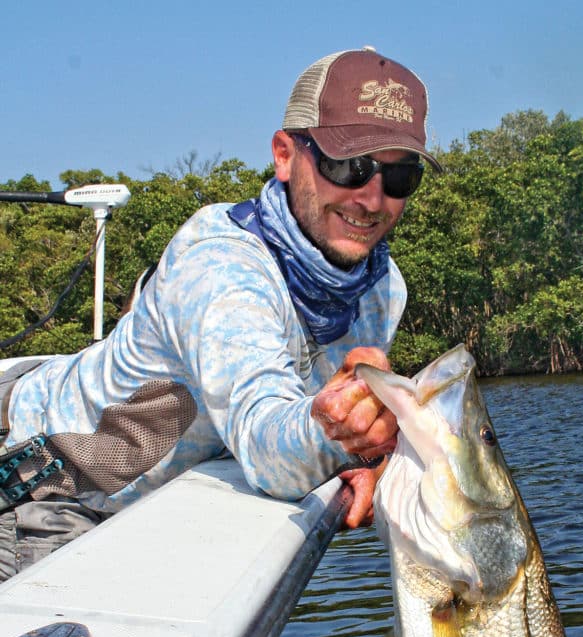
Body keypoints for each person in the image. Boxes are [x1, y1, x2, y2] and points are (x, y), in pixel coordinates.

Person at [0, 48, 441, 581]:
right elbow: (262, 435)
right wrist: (337, 437)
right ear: (284, 154)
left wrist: (369, 459)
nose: (373, 200)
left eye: (400, 178)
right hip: (43, 482)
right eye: (348, 166)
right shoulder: (221, 265)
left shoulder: (383, 287)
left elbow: (319, 410)